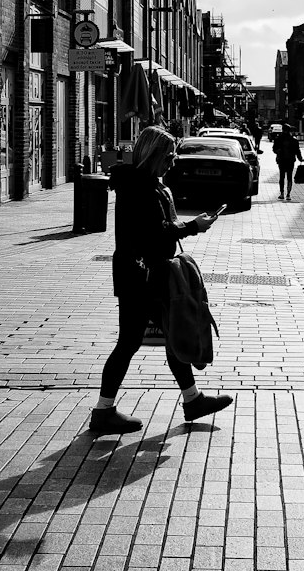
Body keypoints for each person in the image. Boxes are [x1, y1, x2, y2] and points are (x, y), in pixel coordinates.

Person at [90, 125, 233, 434]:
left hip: (149, 273)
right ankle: (103, 411)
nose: (174, 159)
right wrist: (193, 226)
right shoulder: (138, 189)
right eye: (169, 154)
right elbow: (154, 235)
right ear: (153, 155)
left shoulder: (148, 184)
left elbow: (160, 227)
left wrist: (187, 224)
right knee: (129, 342)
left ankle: (192, 399)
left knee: (172, 332)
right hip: (140, 275)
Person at [274, 123, 304, 201]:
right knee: (287, 177)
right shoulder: (292, 140)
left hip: (284, 160)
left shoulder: (280, 139)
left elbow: (297, 151)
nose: (285, 131)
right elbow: (297, 151)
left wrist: (300, 158)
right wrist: (300, 158)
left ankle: (284, 193)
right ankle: (286, 194)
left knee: (283, 177)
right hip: (286, 160)